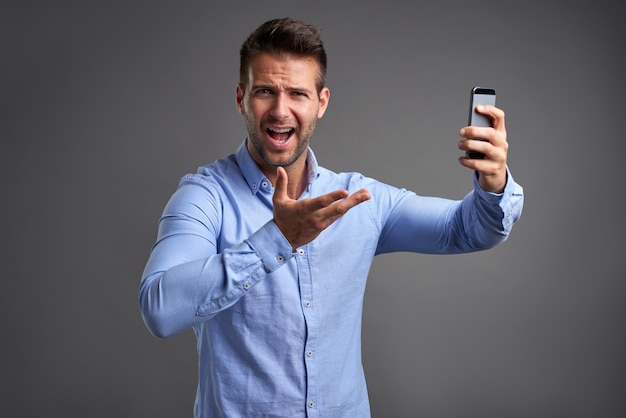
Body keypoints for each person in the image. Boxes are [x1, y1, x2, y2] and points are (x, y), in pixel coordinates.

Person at [139, 17, 524, 418]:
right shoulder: (206, 196)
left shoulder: (357, 200)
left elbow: (466, 230)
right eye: (265, 91)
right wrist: (276, 240)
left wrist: (493, 183)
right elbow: (159, 310)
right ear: (241, 98)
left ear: (321, 102)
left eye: (298, 94)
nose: (280, 110)